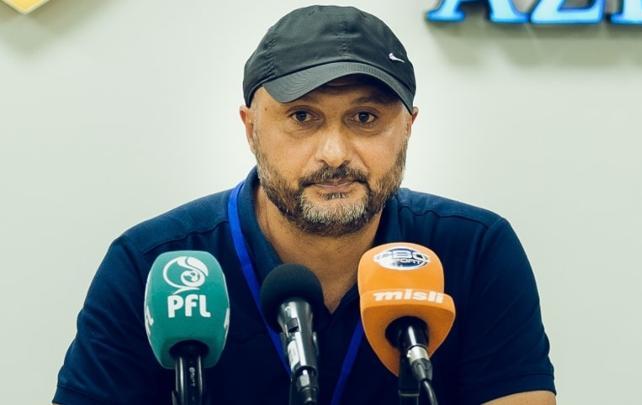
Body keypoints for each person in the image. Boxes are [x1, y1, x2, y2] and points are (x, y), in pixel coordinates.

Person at [53, 5, 556, 405]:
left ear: (408, 127)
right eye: (302, 117)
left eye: (364, 117)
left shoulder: (474, 251)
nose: (334, 154)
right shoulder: (155, 265)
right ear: (251, 129)